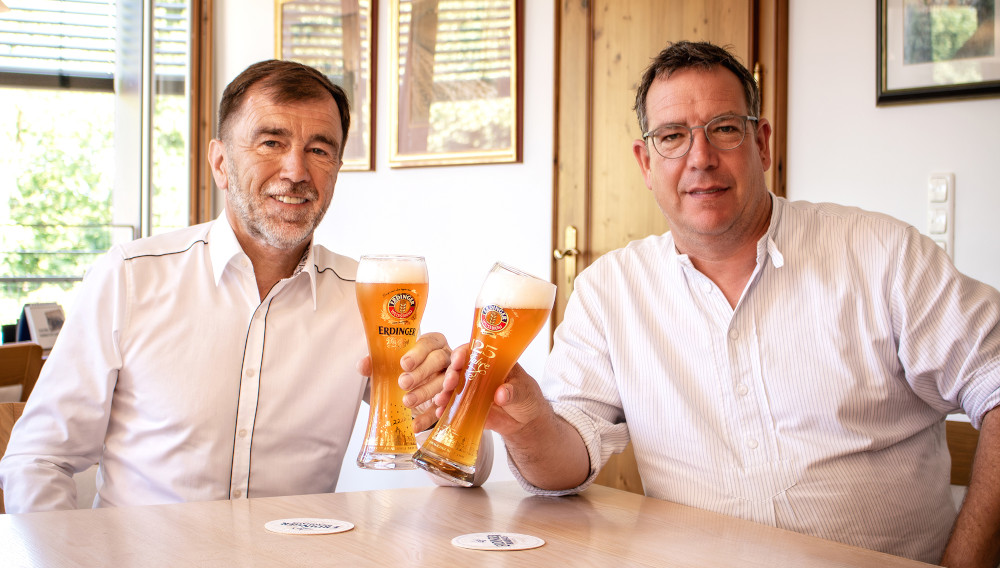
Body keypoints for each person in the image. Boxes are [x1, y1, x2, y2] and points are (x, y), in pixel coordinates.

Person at [438, 41, 1000, 566]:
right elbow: (566, 464)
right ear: (645, 162)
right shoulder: (610, 289)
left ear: (762, 144)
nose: (700, 157)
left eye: (724, 129)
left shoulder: (881, 254)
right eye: (673, 136)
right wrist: (531, 425)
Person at [0, 60, 461, 512]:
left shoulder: (369, 297)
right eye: (271, 142)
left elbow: (463, 468)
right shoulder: (130, 277)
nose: (296, 171)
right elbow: (39, 458)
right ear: (221, 163)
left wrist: (441, 404)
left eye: (319, 150)